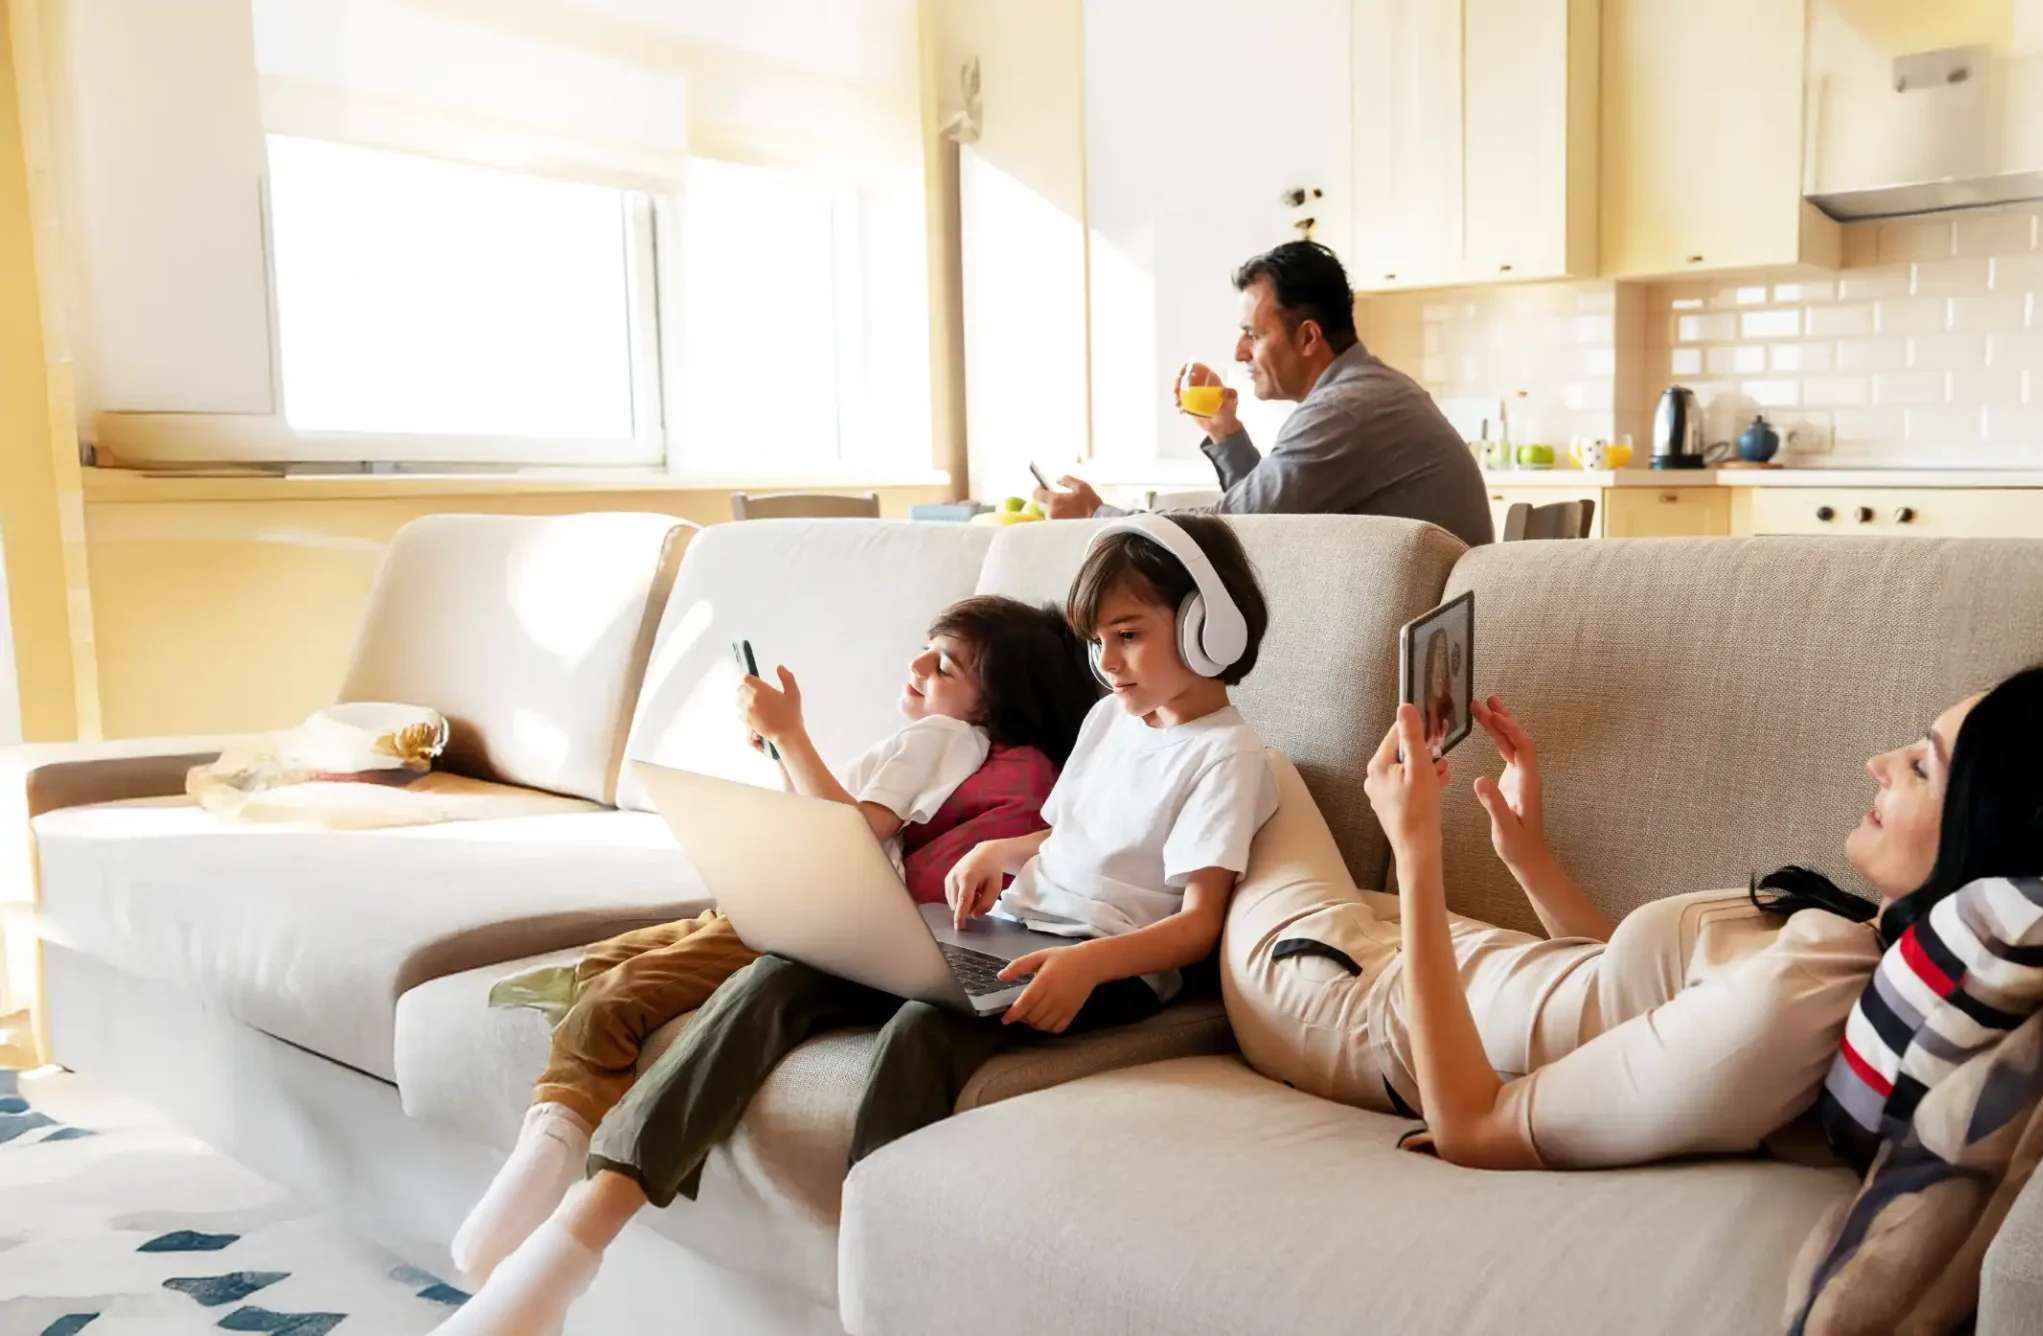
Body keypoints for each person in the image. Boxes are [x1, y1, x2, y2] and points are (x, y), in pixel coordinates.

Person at [435, 514, 1279, 1336]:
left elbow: (1198, 925)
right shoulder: (1111, 722)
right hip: (1013, 932)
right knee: (781, 972)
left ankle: (873, 1289)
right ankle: (571, 1245)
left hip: (1106, 966)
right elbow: (1068, 833)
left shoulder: (1229, 757)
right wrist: (1008, 853)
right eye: (1097, 642)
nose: (1108, 664)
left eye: (1127, 635)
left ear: (1211, 628)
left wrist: (1090, 968)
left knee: (920, 1029)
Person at [1223, 666, 2043, 1171]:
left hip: (1353, 1006)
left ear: (1985, 840)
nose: (1878, 763)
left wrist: (1418, 851)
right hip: (1454, 962)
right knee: (1245, 780)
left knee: (1253, 764)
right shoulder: (1850, 950)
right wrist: (1529, 855)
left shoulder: (1794, 1007)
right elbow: (1628, 1003)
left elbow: (1475, 1123)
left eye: (1919, 766)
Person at [445, 596, 1094, 1292]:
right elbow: (829, 821)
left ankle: (551, 1150)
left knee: (617, 994)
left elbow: (849, 834)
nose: (916, 666)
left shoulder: (941, 737)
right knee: (606, 962)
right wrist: (784, 753)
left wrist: (792, 737)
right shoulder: (962, 747)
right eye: (925, 648)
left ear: (989, 706)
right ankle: (560, 1137)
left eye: (943, 665)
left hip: (820, 911)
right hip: (804, 896)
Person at [1034, 240, 1496, 547]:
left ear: (1309, 337)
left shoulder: (1344, 410)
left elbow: (1232, 526)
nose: (1239, 353)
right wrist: (1225, 432)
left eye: (1252, 335)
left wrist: (1095, 515)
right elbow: (1270, 520)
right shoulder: (1368, 390)